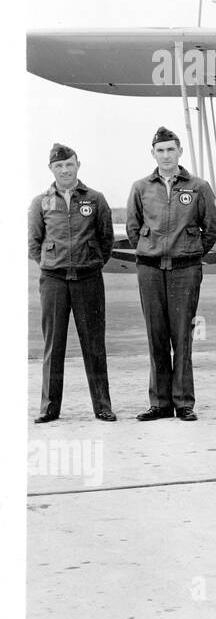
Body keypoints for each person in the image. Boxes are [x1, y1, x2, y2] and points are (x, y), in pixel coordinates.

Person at [126, 126, 216, 422]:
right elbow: (132, 229)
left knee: (182, 337)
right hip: (150, 270)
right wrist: (151, 248)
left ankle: (183, 403)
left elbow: (212, 228)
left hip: (185, 271)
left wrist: (190, 252)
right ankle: (160, 403)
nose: (166, 155)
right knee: (156, 337)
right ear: (153, 154)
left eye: (170, 149)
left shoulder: (198, 186)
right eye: (160, 150)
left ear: (180, 152)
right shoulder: (141, 187)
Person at [28, 142, 116, 422]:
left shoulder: (95, 198)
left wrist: (90, 261)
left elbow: (106, 240)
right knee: (53, 346)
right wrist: (50, 264)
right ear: (51, 169)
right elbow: (34, 243)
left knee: (94, 344)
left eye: (69, 164)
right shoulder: (40, 201)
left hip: (88, 278)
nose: (65, 170)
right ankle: (49, 408)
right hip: (53, 279)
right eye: (59, 166)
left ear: (78, 165)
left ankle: (102, 406)